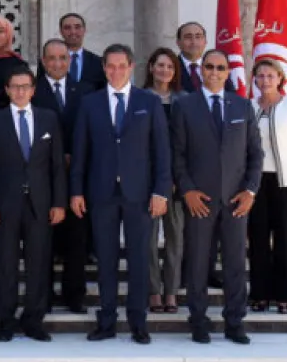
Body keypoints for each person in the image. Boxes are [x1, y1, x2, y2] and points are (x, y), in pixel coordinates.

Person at [71, 44, 171, 345]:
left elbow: (161, 152)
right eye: (110, 66)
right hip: (101, 193)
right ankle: (107, 320)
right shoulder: (90, 103)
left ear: (131, 67)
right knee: (106, 259)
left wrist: (161, 192)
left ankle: (138, 321)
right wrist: (76, 191)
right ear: (104, 68)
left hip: (139, 193)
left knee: (140, 258)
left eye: (121, 66)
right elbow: (80, 152)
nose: (116, 71)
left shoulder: (148, 102)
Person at [170, 49, 262, 345]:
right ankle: (198, 320)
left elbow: (255, 155)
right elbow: (177, 155)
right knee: (197, 263)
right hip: (200, 201)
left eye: (220, 68)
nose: (213, 71)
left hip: (236, 201)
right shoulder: (184, 106)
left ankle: (234, 321)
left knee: (235, 263)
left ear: (227, 72)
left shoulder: (243, 106)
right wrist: (187, 190)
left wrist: (250, 190)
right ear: (200, 71)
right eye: (208, 66)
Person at [0, 66, 65, 342]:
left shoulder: (48, 119)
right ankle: (5, 320)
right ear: (6, 90)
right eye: (14, 86)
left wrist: (59, 203)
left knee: (39, 263)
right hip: (4, 205)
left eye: (25, 86)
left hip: (40, 204)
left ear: (33, 89)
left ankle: (33, 319)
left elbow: (56, 168)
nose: (20, 91)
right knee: (5, 263)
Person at [249, 59, 287, 315]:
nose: (265, 80)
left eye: (270, 76)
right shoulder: (249, 107)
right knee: (258, 240)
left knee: (285, 240)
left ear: (280, 79)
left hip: (286, 182)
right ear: (254, 79)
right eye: (260, 76)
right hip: (254, 183)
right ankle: (260, 295)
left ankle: (285, 296)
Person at [35, 38, 88, 313]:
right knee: (43, 240)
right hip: (41, 178)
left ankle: (74, 295)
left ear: (69, 61)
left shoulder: (84, 91)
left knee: (76, 241)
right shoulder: (31, 91)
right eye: (51, 58)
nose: (57, 63)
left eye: (62, 58)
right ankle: (43, 294)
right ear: (43, 62)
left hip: (75, 179)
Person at [143, 47, 186, 314]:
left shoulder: (185, 100)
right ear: (151, 68)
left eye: (169, 66)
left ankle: (171, 291)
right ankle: (153, 291)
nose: (164, 71)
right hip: (148, 180)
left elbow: (187, 144)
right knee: (148, 239)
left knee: (175, 238)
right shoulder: (139, 99)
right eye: (160, 65)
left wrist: (176, 177)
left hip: (178, 181)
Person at [53, 13, 106, 92]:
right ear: (61, 31)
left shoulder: (98, 63)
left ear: (84, 30)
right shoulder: (48, 62)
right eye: (67, 28)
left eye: (77, 27)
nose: (73, 31)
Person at [176, 22, 207, 93]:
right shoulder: (170, 69)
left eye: (198, 37)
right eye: (188, 37)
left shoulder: (217, 68)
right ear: (178, 42)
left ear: (205, 42)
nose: (194, 42)